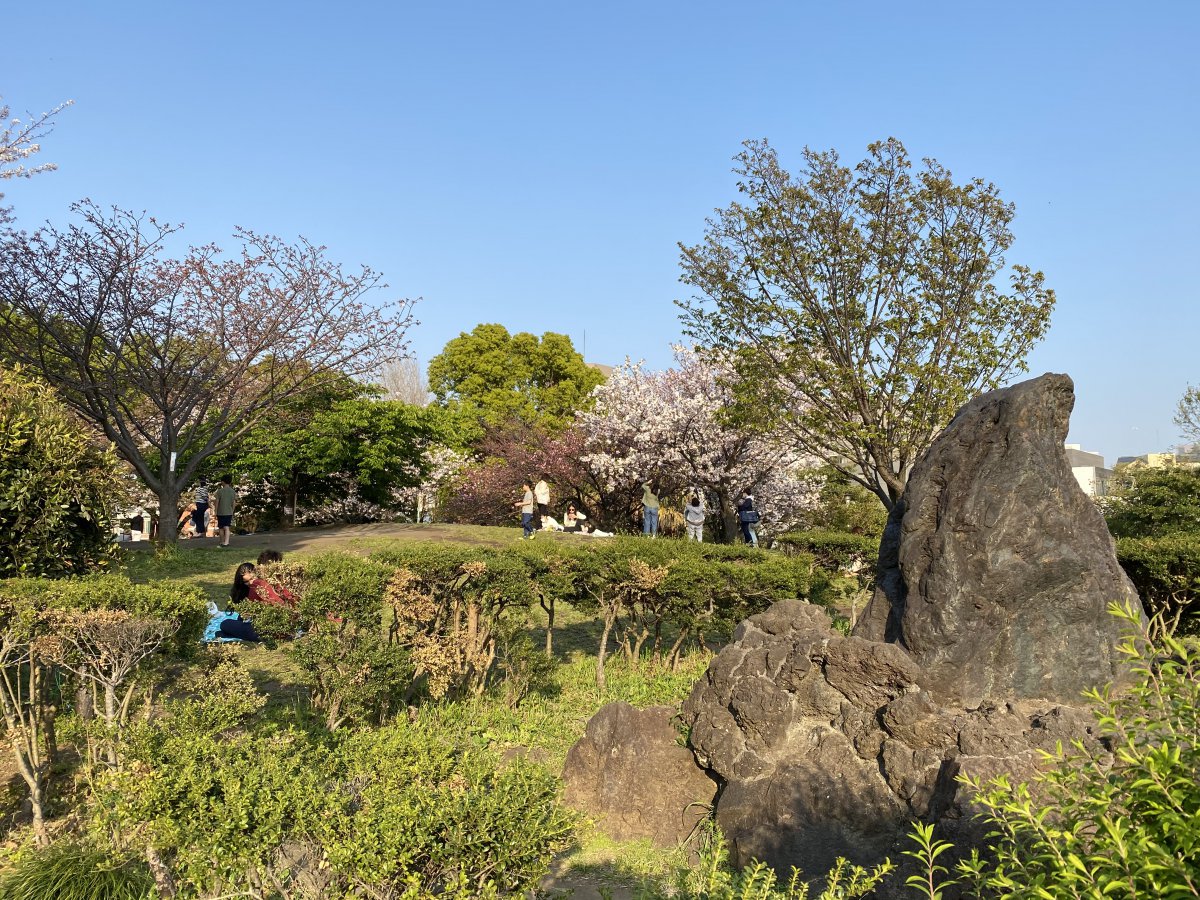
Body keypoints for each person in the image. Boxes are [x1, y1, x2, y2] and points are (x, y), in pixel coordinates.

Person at [218, 561, 297, 642]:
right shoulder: (275, 582)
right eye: (246, 582)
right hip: (287, 627)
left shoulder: (257, 586)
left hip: (266, 630)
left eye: (252, 579)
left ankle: (230, 633)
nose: (250, 583)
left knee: (225, 624)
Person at [214, 475, 237, 547]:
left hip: (220, 512)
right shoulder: (233, 491)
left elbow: (217, 502)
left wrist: (215, 511)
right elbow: (233, 503)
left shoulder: (219, 491)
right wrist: (232, 511)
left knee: (221, 527)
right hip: (229, 512)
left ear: (222, 482)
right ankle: (226, 542)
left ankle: (222, 542)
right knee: (227, 527)